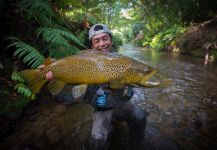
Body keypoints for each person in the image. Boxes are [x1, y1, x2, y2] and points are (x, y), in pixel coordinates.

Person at [41, 24, 148, 150]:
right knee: (97, 141)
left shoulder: (122, 62)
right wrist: (53, 75)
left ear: (111, 40)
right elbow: (78, 96)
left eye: (105, 38)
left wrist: (121, 88)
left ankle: (136, 144)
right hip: (101, 110)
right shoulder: (82, 64)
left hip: (120, 105)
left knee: (140, 116)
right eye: (97, 41)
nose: (102, 43)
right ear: (92, 46)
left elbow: (129, 95)